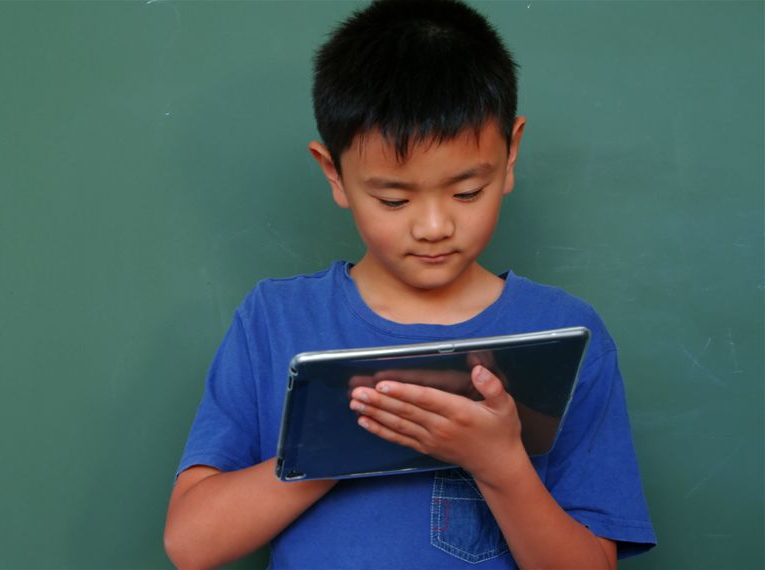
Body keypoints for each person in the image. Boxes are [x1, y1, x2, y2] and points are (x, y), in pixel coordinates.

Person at [163, 0, 656, 567]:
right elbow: (191, 544)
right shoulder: (274, 319)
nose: (433, 227)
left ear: (511, 152)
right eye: (393, 199)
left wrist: (500, 465)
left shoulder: (566, 333)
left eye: (466, 192)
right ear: (334, 173)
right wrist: (345, 443)